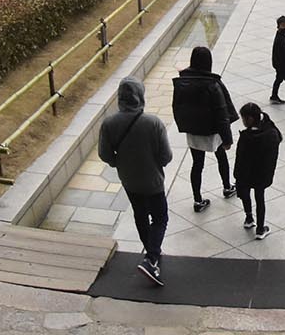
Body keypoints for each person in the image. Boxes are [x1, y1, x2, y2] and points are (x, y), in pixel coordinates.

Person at [98, 77, 172, 287]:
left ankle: (151, 252)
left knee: (140, 214)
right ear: (141, 95)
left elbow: (104, 154)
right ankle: (151, 258)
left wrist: (119, 163)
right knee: (160, 217)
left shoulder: (109, 124)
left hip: (129, 180)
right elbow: (166, 156)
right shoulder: (153, 123)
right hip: (153, 180)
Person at [170, 46, 238, 213]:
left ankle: (197, 199)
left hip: (193, 130)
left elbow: (176, 106)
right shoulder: (213, 84)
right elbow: (222, 113)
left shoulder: (182, 82)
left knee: (197, 164)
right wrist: (227, 139)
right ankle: (227, 187)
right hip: (212, 130)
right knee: (221, 157)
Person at [232, 102, 280, 240]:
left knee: (246, 195)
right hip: (262, 173)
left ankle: (249, 218)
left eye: (244, 118)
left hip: (245, 173)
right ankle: (260, 228)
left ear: (251, 118)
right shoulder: (270, 131)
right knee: (260, 198)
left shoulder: (247, 137)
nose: (243, 122)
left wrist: (237, 175)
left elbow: (240, 157)